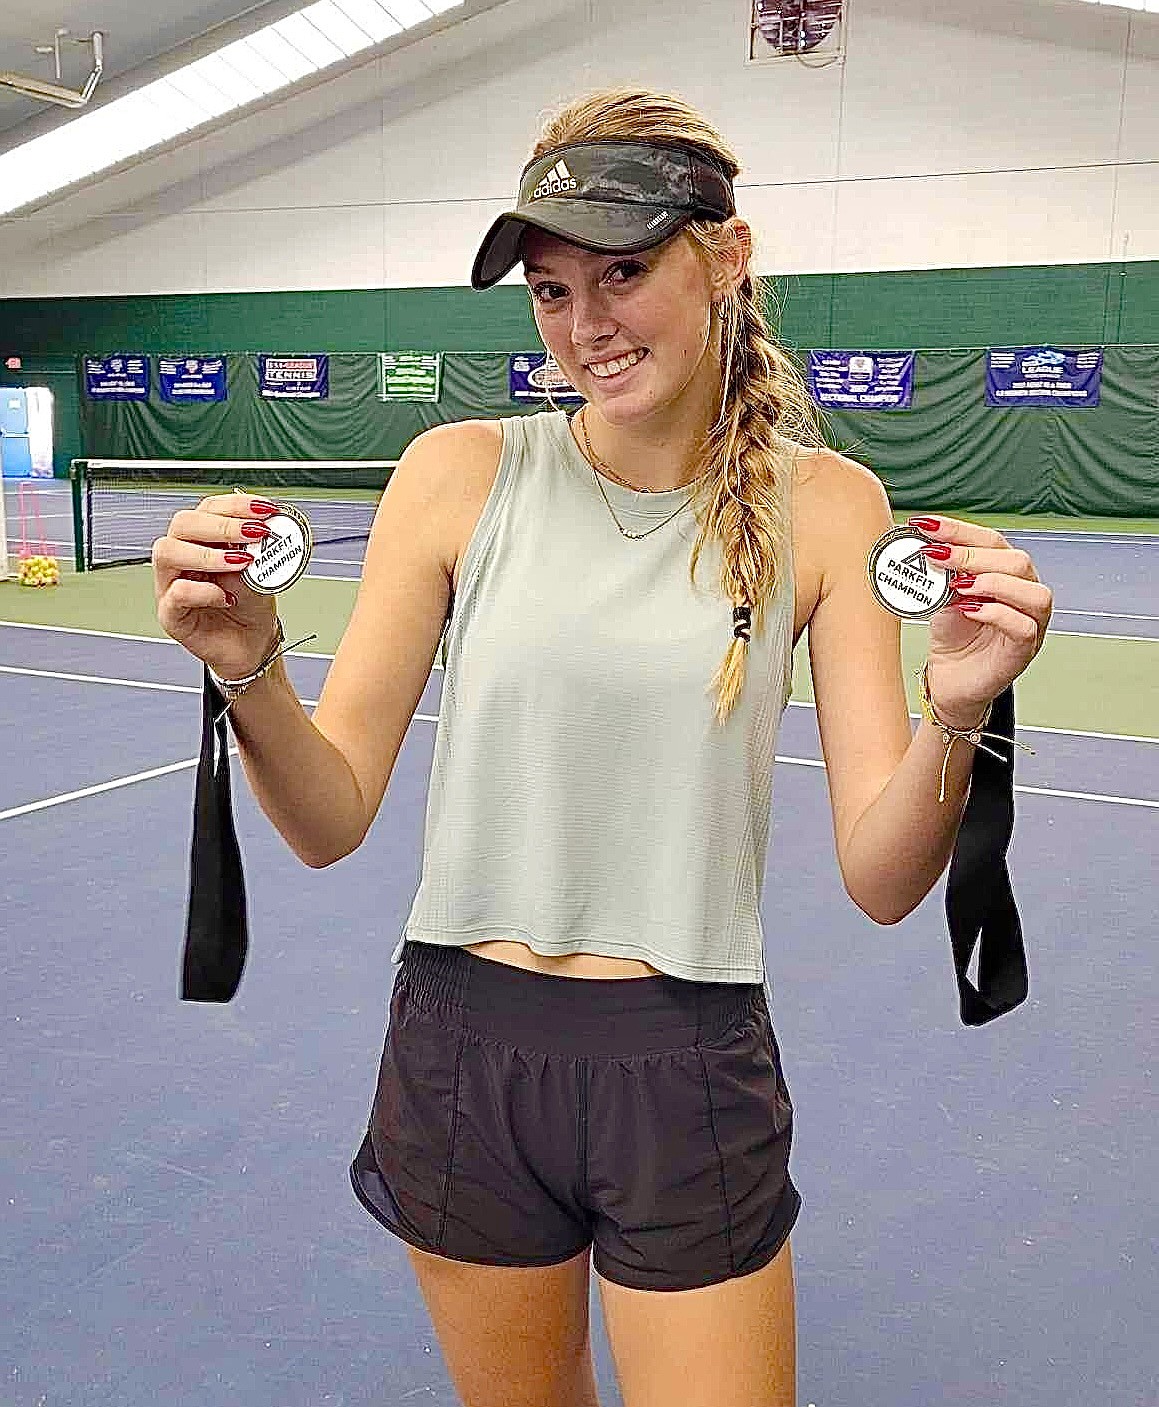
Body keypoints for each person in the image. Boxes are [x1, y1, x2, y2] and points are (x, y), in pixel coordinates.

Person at [153, 88, 1053, 1407]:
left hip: (684, 1055)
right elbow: (330, 813)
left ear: (726, 258)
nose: (587, 325)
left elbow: (883, 874)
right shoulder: (457, 474)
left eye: (623, 273)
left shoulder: (830, 505)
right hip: (464, 1043)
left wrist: (959, 709)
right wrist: (248, 665)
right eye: (551, 289)